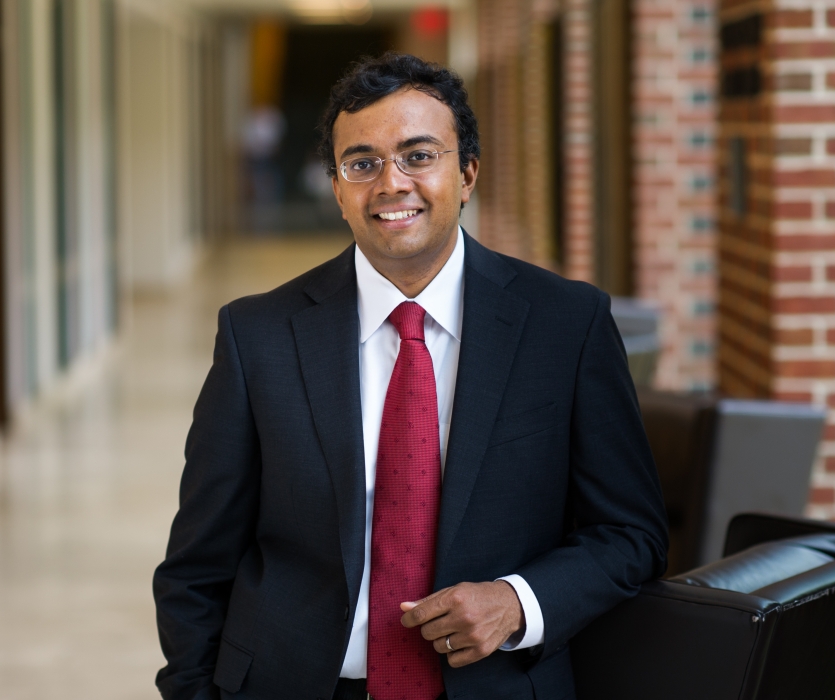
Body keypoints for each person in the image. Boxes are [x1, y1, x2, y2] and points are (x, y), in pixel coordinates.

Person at [154, 53, 668, 700]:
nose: (392, 183)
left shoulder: (566, 325)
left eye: (419, 156)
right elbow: (196, 567)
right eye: (362, 164)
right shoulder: (258, 335)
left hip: (493, 686)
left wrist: (517, 601)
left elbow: (632, 535)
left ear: (467, 173)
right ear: (338, 190)